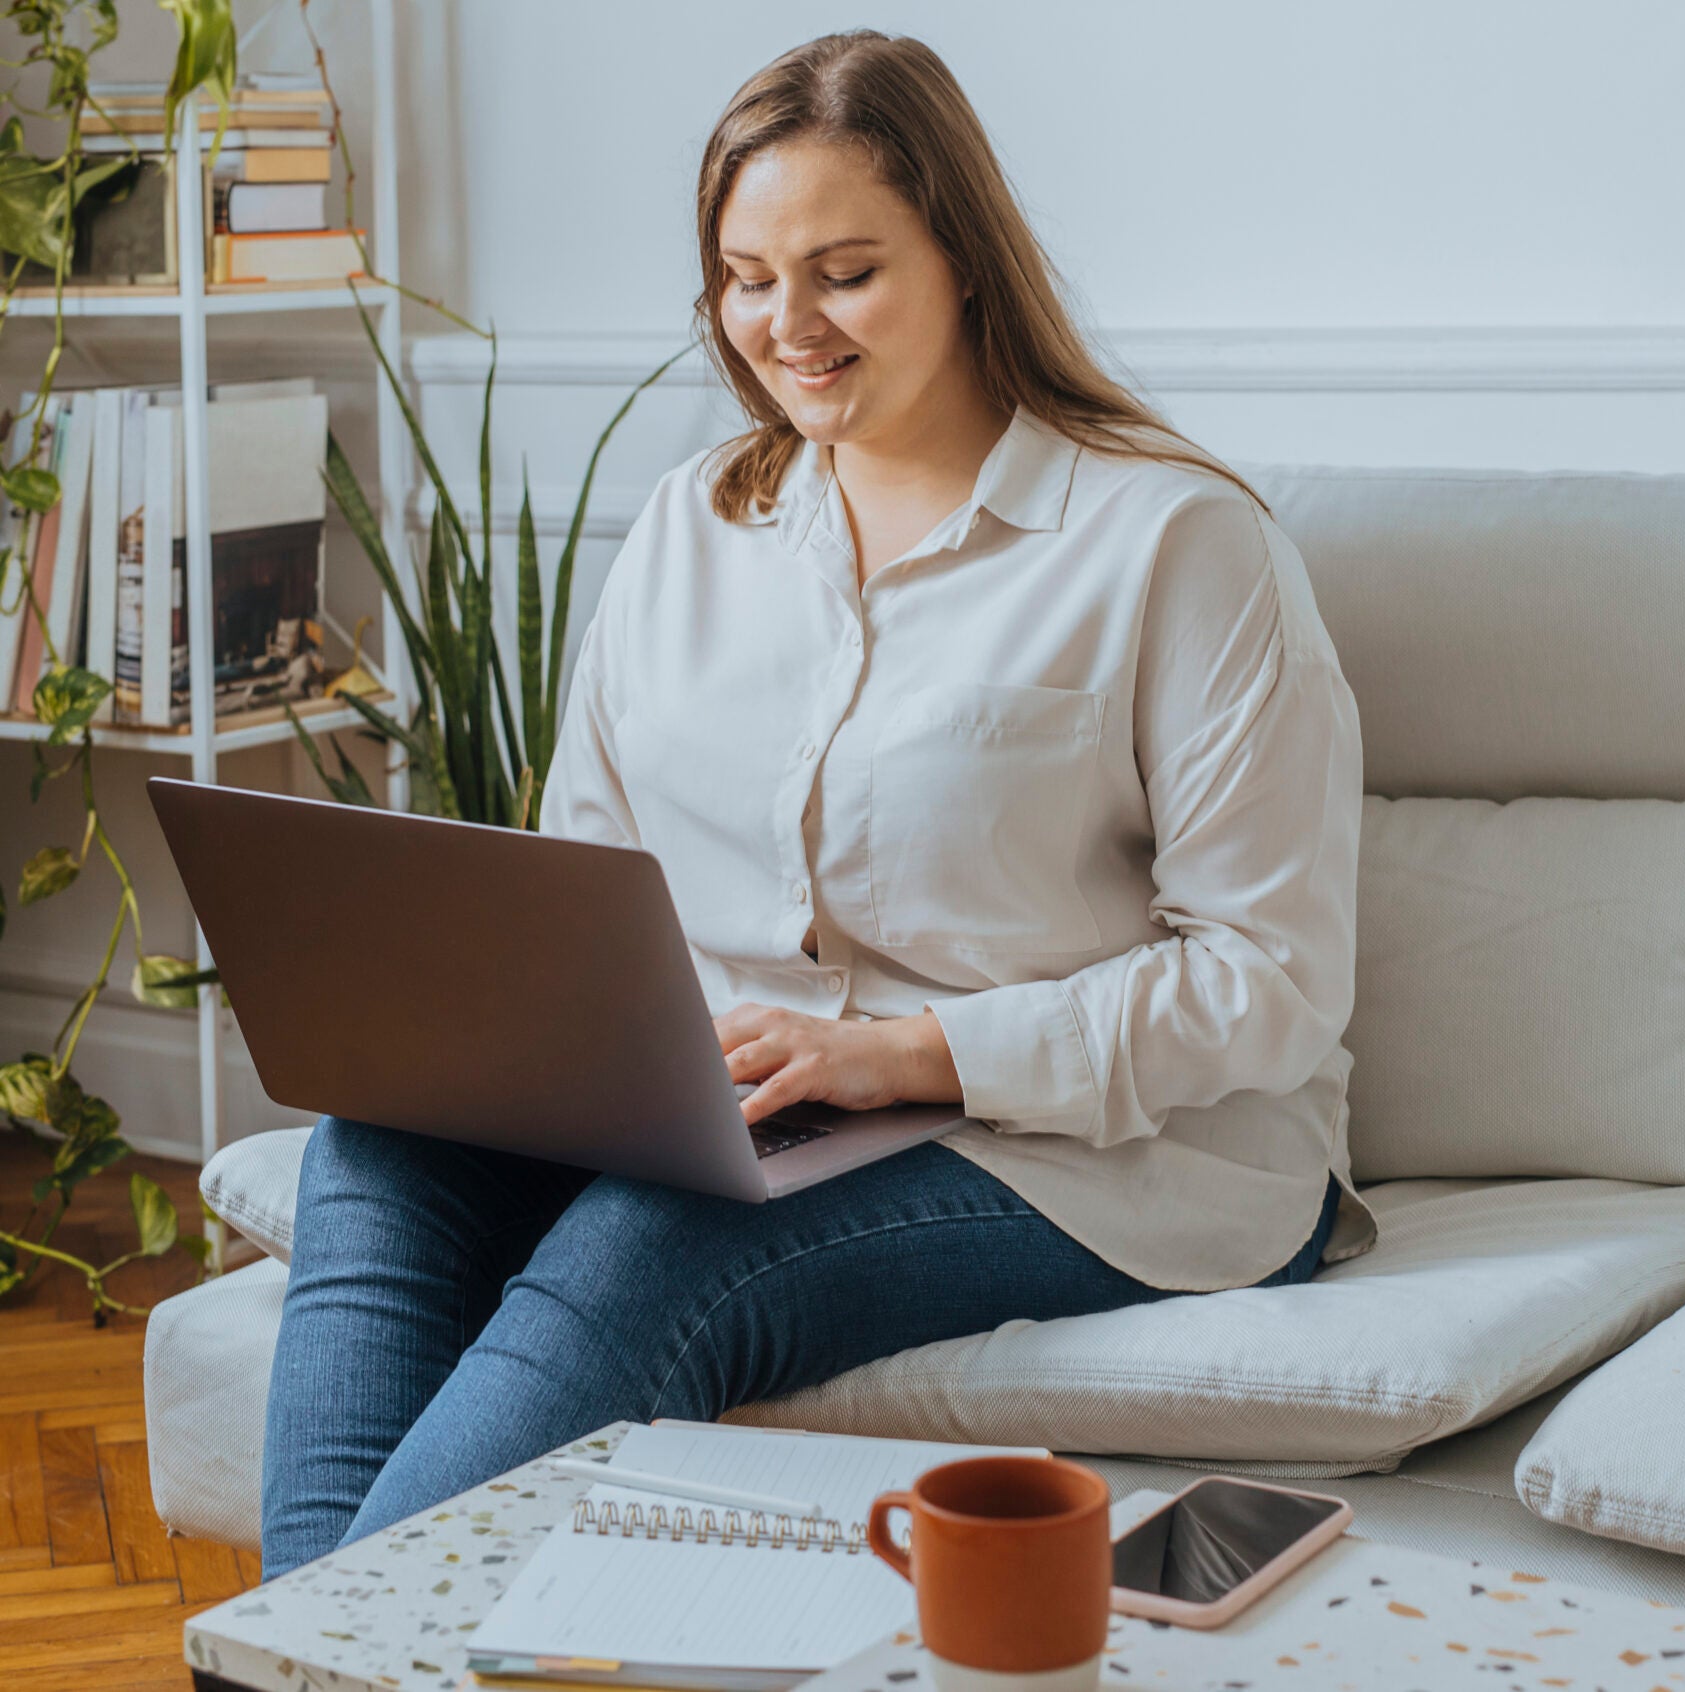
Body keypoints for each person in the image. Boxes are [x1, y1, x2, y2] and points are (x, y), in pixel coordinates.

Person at [259, 30, 1367, 1576]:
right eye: (745, 277)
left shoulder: (1176, 544)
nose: (789, 327)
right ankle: (300, 1659)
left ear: (965, 259)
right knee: (376, 1148)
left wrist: (904, 1052)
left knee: (653, 1253)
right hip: (743, 1108)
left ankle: (302, 1664)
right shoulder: (692, 524)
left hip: (1096, 1156)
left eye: (845, 271)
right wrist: (543, 1053)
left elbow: (1275, 983)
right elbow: (592, 871)